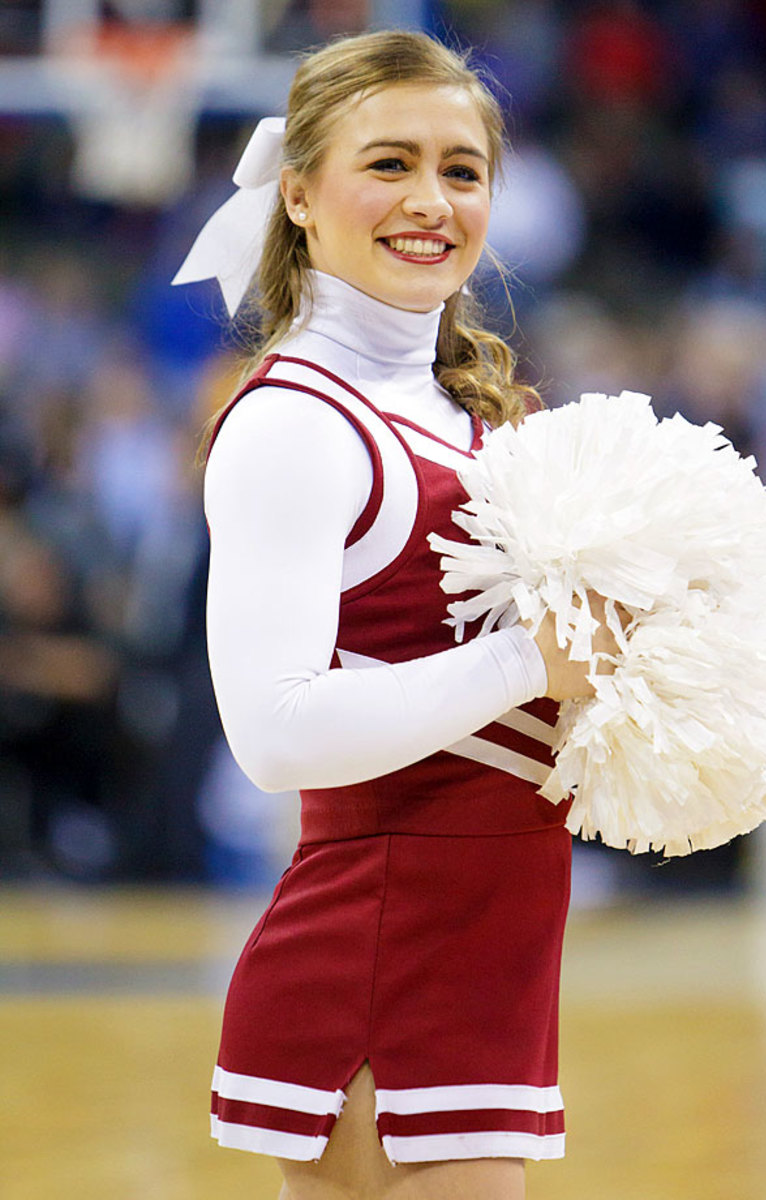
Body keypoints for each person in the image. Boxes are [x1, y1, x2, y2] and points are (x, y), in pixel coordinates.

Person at [175, 29, 619, 1200]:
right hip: (387, 949)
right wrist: (537, 658)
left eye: (461, 170)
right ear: (301, 196)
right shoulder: (293, 421)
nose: (431, 200)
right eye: (389, 163)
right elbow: (272, 736)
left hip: (495, 935)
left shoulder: (473, 418)